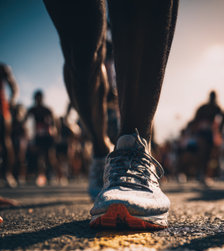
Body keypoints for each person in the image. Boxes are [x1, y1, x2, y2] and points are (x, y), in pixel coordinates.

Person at [43, 0, 178, 229]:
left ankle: (135, 151)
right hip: (100, 103)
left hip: (122, 100)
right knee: (80, 48)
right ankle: (100, 149)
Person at [24, 90, 57, 186]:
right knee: (38, 156)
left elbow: (54, 121)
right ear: (35, 99)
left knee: (49, 155)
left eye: (40, 97)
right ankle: (39, 175)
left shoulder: (47, 109)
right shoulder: (32, 109)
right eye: (37, 98)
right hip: (37, 136)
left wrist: (54, 130)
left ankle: (50, 174)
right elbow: (25, 119)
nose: (38, 100)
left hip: (47, 135)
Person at [0, 62, 19, 187]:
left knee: (5, 140)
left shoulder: (3, 68)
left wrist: (12, 100)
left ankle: (7, 174)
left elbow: (14, 86)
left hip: (2, 108)